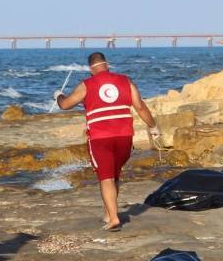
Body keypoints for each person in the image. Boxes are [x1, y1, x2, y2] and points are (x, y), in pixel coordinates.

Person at [55, 51, 163, 230]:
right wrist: (153, 126)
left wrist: (58, 95)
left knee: (106, 178)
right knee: (114, 175)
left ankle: (114, 219)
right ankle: (108, 214)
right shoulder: (126, 81)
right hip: (124, 137)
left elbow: (65, 105)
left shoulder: (87, 84)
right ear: (107, 64)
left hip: (100, 138)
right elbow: (140, 107)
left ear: (90, 68)